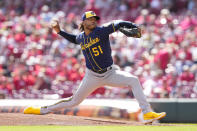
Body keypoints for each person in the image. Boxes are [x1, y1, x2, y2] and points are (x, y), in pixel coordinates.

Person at [24, 11, 166, 124]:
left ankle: (146, 112)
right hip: (91, 76)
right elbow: (74, 39)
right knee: (74, 101)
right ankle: (42, 110)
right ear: (83, 22)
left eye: (94, 19)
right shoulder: (81, 37)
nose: (93, 21)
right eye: (90, 19)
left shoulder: (101, 31)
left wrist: (131, 24)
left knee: (134, 80)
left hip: (110, 73)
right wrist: (59, 31)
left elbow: (117, 23)